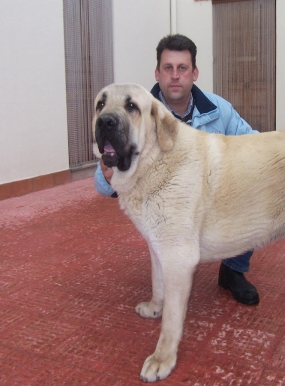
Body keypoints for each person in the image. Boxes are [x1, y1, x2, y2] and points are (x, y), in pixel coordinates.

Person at [93, 34, 259, 305]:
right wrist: (107, 171)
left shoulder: (219, 110)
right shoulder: (137, 112)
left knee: (251, 196)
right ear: (157, 73)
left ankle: (233, 271)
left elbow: (254, 144)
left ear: (194, 73)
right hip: (165, 209)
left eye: (182, 68)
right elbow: (103, 186)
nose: (175, 76)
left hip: (212, 198)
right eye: (168, 68)